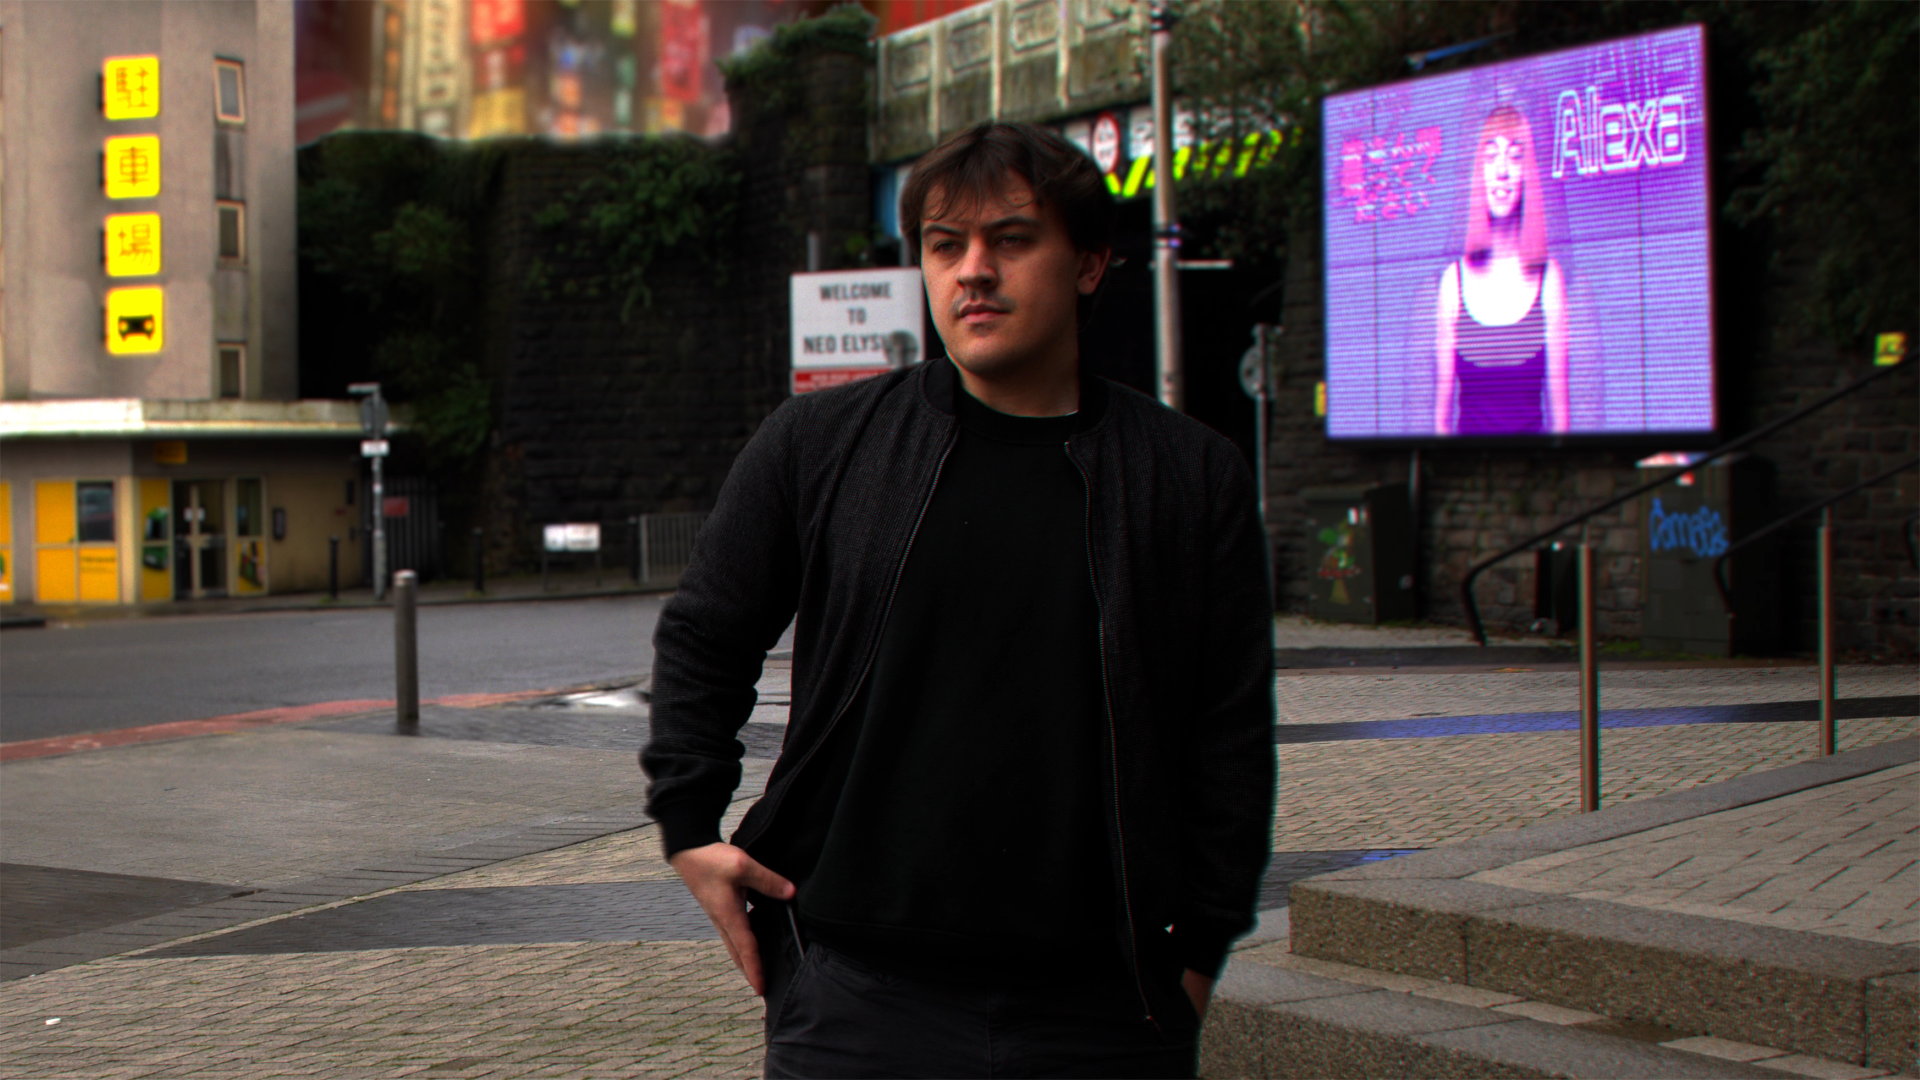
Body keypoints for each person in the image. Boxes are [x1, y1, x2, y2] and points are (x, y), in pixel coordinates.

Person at [641, 121, 1276, 1079]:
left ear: (1090, 262)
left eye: (1011, 240)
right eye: (946, 246)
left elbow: (1227, 733)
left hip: (1103, 1008)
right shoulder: (821, 444)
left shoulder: (1189, 476)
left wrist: (1198, 954)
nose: (973, 271)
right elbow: (705, 636)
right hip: (854, 998)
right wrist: (688, 826)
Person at [1435, 104, 1569, 435]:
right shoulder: (1453, 282)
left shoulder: (1549, 278)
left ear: (1527, 173)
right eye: (1491, 156)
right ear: (1478, 171)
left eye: (1515, 156)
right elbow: (1441, 423)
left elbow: (1562, 422)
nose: (1502, 171)